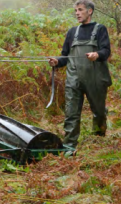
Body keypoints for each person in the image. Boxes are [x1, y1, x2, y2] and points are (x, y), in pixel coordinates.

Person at [48, 0, 112, 148]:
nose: (77, 13)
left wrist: (97, 54)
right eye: (76, 10)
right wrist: (57, 62)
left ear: (89, 11)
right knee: (71, 113)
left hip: (95, 79)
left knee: (99, 112)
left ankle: (98, 139)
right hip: (74, 79)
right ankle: (69, 147)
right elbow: (65, 56)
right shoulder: (72, 32)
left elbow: (106, 51)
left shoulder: (100, 29)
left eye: (80, 10)